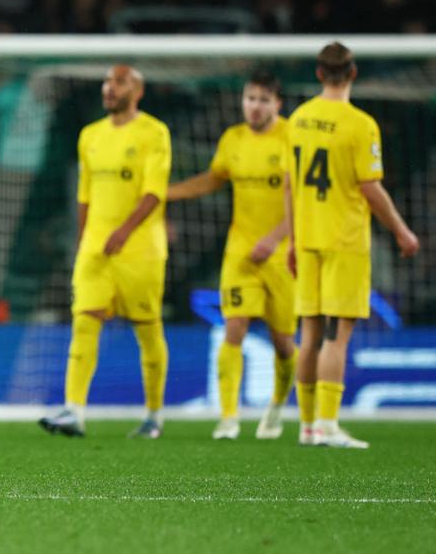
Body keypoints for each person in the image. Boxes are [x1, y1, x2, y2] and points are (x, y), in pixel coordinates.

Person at [286, 42, 419, 448]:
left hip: (307, 238)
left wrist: (292, 239)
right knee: (335, 337)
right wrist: (400, 230)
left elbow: (291, 184)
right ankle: (327, 425)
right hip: (343, 240)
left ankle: (307, 426)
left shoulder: (298, 118)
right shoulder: (360, 124)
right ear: (353, 73)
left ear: (319, 73)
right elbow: (369, 187)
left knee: (309, 335)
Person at [39, 65, 171, 439]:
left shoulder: (154, 132)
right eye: (108, 82)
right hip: (96, 250)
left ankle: (154, 416)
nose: (110, 88)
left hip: (140, 251)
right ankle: (74, 411)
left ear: (138, 91)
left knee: (147, 330)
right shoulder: (90, 135)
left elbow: (154, 192)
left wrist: (124, 231)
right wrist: (84, 243)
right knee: (84, 321)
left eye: (120, 82)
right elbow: (84, 195)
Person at [166, 73, 297, 440]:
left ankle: (275, 407)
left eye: (263, 100)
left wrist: (273, 239)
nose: (254, 106)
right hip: (241, 251)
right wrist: (168, 193)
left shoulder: (292, 139)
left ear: (278, 104)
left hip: (282, 254)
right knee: (234, 328)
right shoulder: (232, 139)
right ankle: (228, 417)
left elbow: (303, 200)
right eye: (249, 98)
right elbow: (213, 179)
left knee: (283, 341)